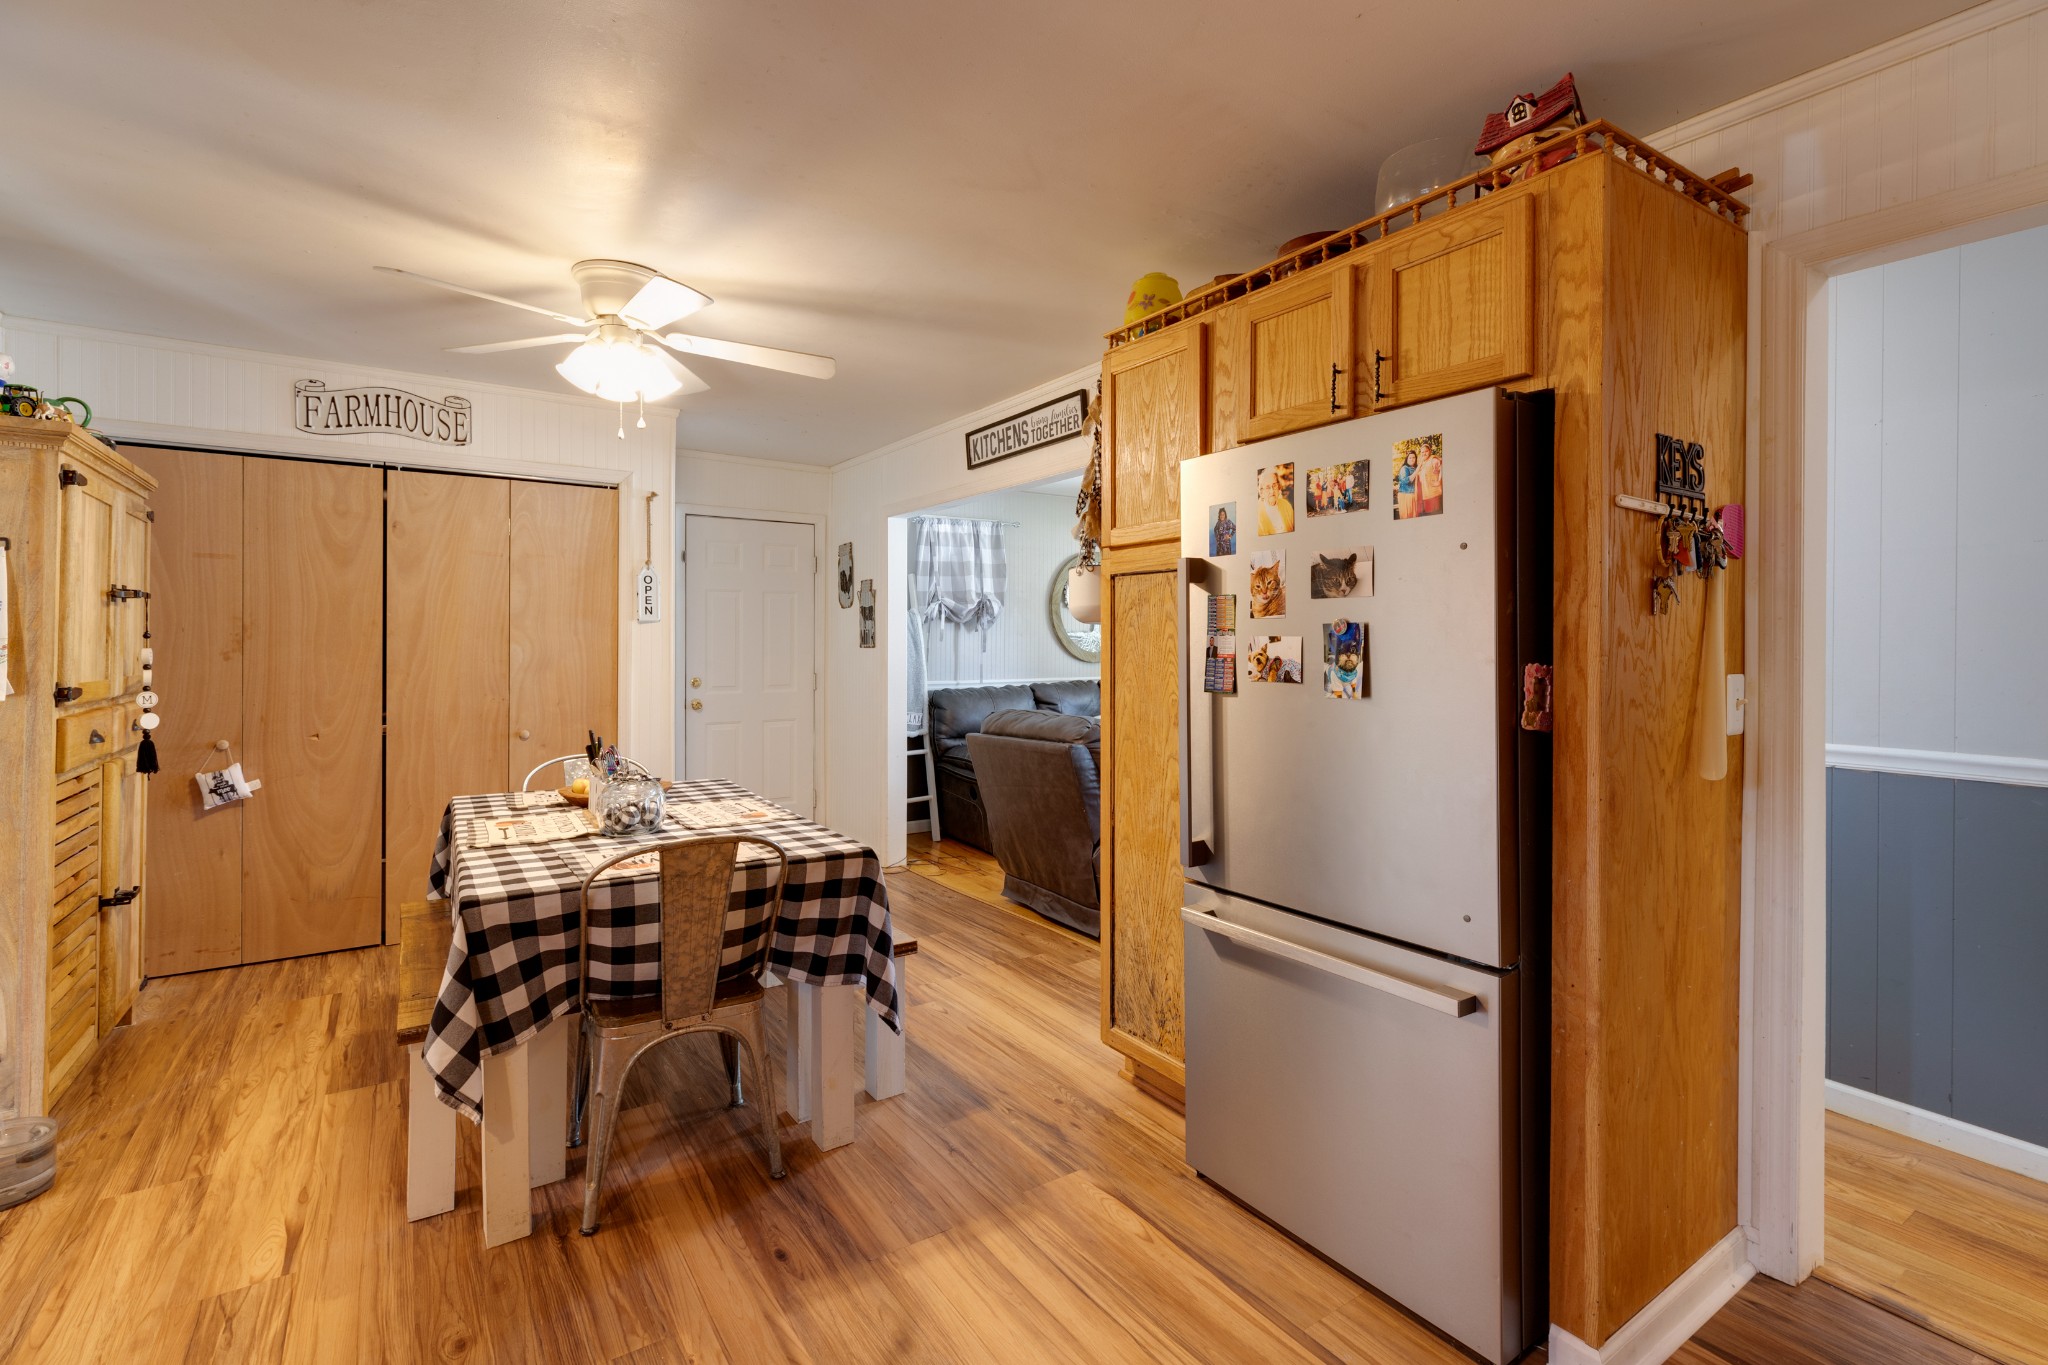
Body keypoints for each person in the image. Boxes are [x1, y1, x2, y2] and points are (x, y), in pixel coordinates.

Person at [1419, 443, 1443, 516]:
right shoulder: (1423, 462)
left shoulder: (1434, 460)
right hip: (1426, 494)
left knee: (1436, 514)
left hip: (1434, 494)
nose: (1424, 453)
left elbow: (1443, 469)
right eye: (1422, 452)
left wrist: (1439, 481)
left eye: (1426, 451)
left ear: (1430, 451)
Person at [1395, 450, 1419, 519]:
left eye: (1413, 457)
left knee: (1413, 516)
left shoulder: (1414, 468)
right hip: (1405, 495)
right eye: (1410, 458)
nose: (1412, 459)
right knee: (1407, 516)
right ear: (1407, 459)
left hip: (1413, 495)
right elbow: (1406, 481)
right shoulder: (1404, 468)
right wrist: (1417, 470)